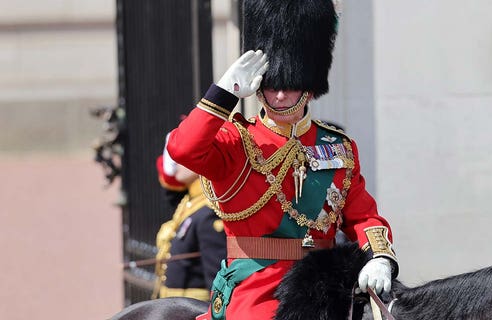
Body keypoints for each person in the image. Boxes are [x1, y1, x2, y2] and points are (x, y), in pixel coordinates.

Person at [166, 0, 399, 318]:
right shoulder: (237, 141)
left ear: (310, 86)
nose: (278, 96)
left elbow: (362, 216)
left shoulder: (338, 147)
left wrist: (380, 256)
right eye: (272, 85)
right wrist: (224, 92)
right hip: (257, 291)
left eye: (289, 86)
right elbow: (183, 149)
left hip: (326, 289)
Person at [152, 138, 227, 301]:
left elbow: (217, 282)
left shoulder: (209, 211)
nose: (174, 163)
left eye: (182, 156)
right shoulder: (189, 203)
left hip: (193, 311)